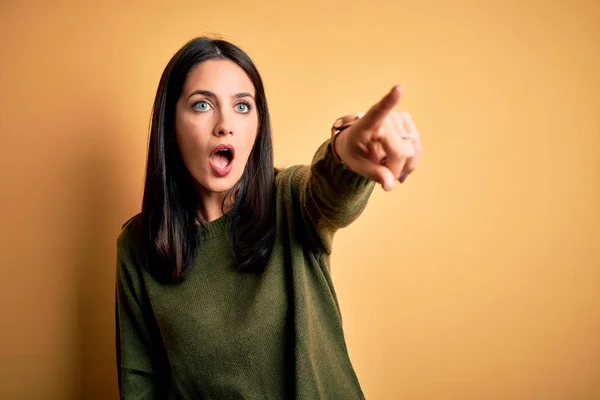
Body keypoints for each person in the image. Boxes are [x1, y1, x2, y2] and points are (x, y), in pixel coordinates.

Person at [115, 36, 421, 399]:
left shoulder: (289, 198)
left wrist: (346, 150)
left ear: (258, 126)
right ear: (171, 127)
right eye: (202, 105)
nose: (225, 124)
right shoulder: (138, 245)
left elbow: (331, 192)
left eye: (242, 107)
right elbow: (139, 384)